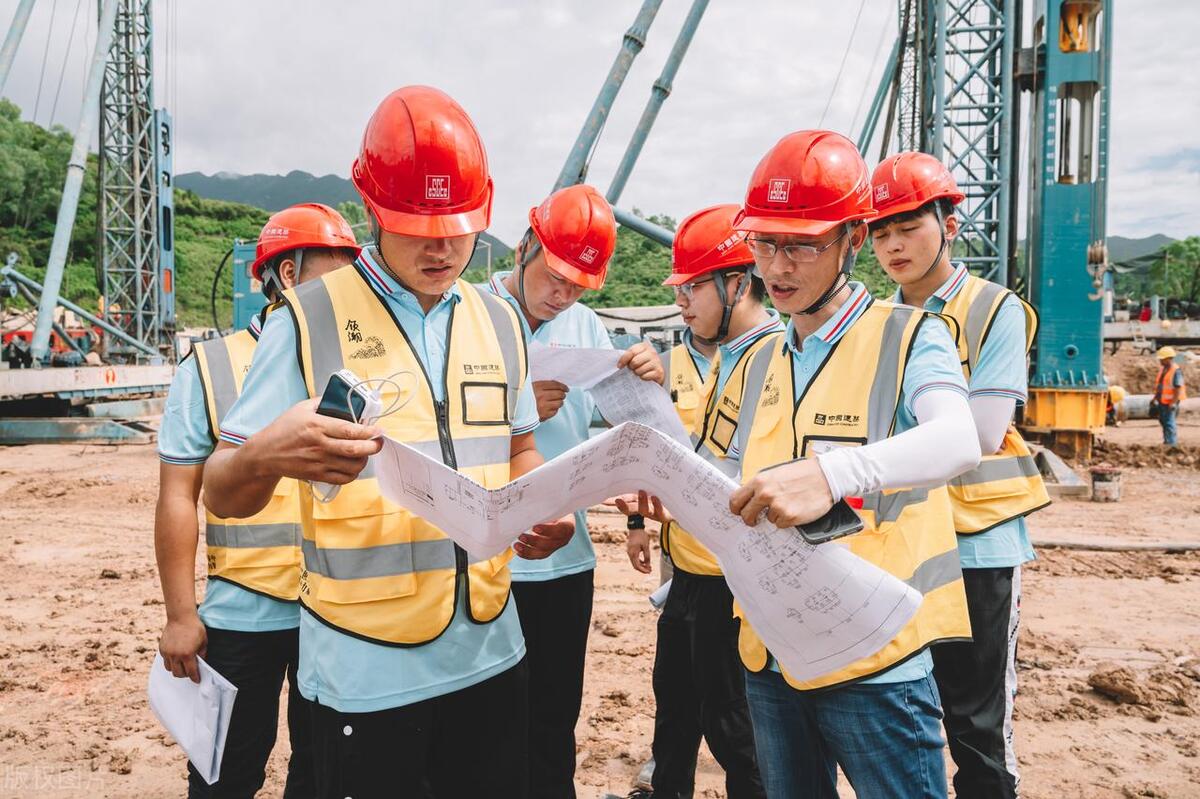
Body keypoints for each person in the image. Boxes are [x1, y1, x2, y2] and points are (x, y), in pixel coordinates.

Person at [201, 85, 574, 799]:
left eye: (458, 227)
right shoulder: (307, 319)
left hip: (492, 653)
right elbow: (221, 488)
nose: (440, 247)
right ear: (371, 208)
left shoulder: (499, 322)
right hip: (364, 674)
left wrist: (545, 505)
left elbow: (521, 448)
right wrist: (265, 452)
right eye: (415, 225)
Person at [719, 130, 981, 799]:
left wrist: (834, 475)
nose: (776, 266)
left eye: (802, 244)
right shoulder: (753, 359)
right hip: (772, 653)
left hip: (875, 662)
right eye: (764, 242)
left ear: (852, 240)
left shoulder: (911, 336)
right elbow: (724, 471)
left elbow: (958, 439)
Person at [155, 202, 359, 797]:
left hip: (335, 608)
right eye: (336, 270)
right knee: (224, 774)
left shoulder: (349, 363)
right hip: (242, 615)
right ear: (288, 275)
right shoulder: (211, 366)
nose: (349, 287)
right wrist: (179, 614)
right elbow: (177, 498)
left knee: (323, 776)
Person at [870, 151, 1052, 798]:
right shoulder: (876, 320)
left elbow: (976, 434)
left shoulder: (991, 308)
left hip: (977, 544)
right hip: (900, 541)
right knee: (900, 713)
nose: (893, 245)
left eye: (908, 226)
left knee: (976, 724)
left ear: (949, 221)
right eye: (880, 232)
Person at [483, 183, 664, 799]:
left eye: (578, 285)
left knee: (554, 717)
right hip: (489, 554)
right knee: (488, 722)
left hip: (565, 555)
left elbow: (624, 427)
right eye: (555, 277)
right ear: (526, 245)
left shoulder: (583, 324)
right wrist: (517, 411)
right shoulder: (470, 315)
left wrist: (647, 381)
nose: (562, 296)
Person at [620, 204, 776, 799]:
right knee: (676, 715)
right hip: (688, 569)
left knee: (735, 730)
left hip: (731, 583)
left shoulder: (773, 358)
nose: (681, 300)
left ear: (736, 283)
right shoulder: (722, 359)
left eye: (692, 287)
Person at [1153, 346, 1186, 446]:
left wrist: (1173, 402)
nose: (1160, 361)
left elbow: (1178, 388)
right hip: (1162, 401)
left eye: (1162, 359)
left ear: (1168, 359)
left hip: (1170, 401)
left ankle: (1172, 444)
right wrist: (1154, 398)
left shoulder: (1175, 371)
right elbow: (1160, 385)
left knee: (1169, 422)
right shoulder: (1164, 369)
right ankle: (1167, 442)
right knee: (1163, 421)